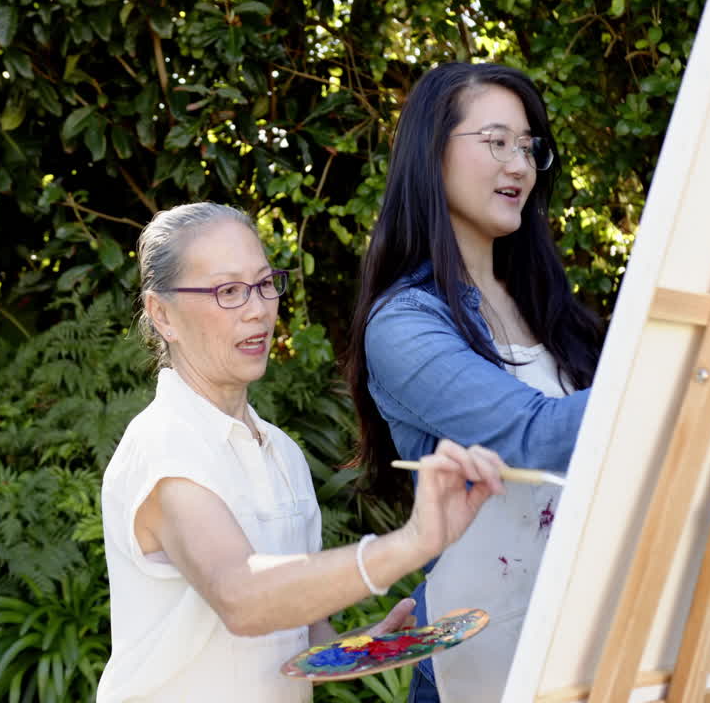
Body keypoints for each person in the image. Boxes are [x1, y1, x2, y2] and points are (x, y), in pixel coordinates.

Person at [97, 201, 509, 703]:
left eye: (266, 283)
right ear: (163, 314)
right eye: (228, 291)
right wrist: (414, 541)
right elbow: (242, 598)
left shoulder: (283, 453)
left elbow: (300, 634)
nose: (258, 308)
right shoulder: (163, 444)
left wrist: (362, 648)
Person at [346, 63, 605, 702]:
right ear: (432, 155)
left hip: (584, 640)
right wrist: (673, 378)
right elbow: (532, 436)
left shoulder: (547, 307)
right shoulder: (405, 323)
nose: (518, 163)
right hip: (479, 665)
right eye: (495, 142)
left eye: (528, 147)